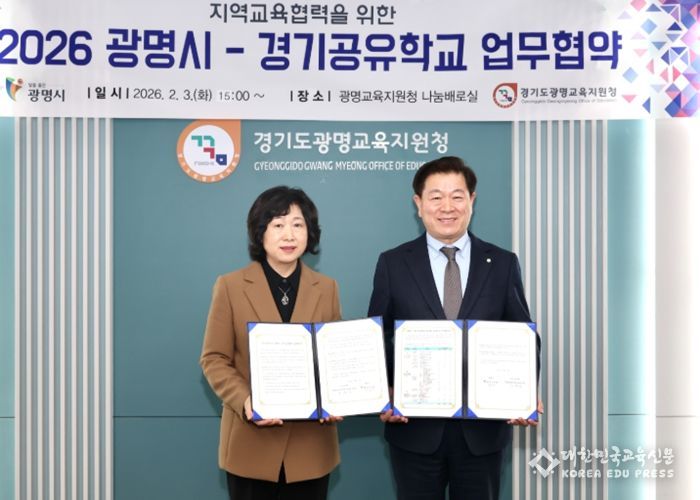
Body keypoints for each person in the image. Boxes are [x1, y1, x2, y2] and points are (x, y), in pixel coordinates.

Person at [368, 156, 541, 500]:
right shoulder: (393, 262)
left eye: (457, 196)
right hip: (414, 430)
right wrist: (383, 390)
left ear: (471, 200)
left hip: (482, 433)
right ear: (418, 204)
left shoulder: (502, 263)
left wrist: (523, 391)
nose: (447, 207)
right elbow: (376, 336)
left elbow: (522, 336)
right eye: (436, 197)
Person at [200, 186, 342, 500]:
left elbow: (333, 358)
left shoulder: (327, 288)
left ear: (310, 233)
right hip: (251, 445)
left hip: (311, 447)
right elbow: (214, 358)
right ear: (260, 232)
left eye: (298, 224)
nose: (288, 235)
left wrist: (337, 397)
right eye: (278, 225)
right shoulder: (230, 286)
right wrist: (246, 400)